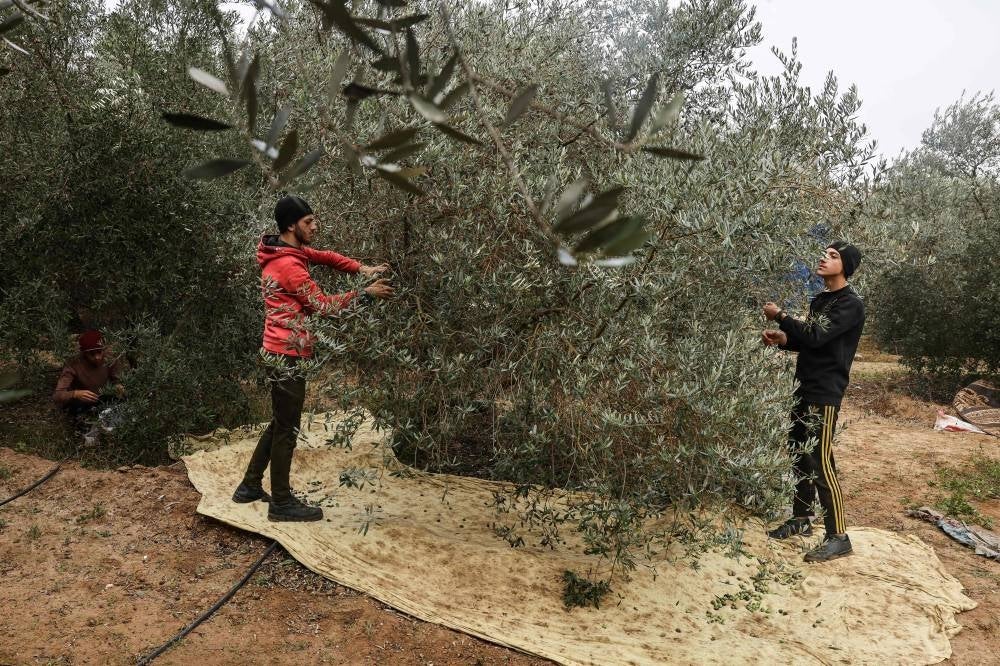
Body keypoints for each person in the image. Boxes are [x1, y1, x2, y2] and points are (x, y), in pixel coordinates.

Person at [232, 194, 394, 522]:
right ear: (291, 226)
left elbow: (327, 257)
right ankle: (281, 503)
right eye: (309, 222)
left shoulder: (286, 251)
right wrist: (366, 294)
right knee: (287, 428)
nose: (315, 226)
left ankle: (249, 486)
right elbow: (324, 306)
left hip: (278, 350)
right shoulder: (290, 266)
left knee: (281, 421)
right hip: (287, 354)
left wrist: (362, 268)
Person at [761, 240, 865, 562]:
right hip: (804, 386)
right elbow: (812, 342)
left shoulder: (850, 304)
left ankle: (839, 536)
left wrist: (781, 316)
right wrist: (785, 339)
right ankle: (802, 518)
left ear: (846, 266)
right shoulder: (821, 300)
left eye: (833, 256)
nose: (824, 258)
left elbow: (818, 336)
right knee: (798, 453)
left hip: (825, 391)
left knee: (820, 460)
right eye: (824, 253)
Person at [53, 330, 124, 441]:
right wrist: (75, 393)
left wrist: (119, 386)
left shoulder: (110, 357)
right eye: (92, 354)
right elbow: (57, 395)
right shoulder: (73, 363)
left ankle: (114, 432)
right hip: (82, 403)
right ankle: (88, 436)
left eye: (99, 352)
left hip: (102, 397)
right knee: (79, 410)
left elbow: (118, 380)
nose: (97, 357)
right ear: (84, 353)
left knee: (122, 402)